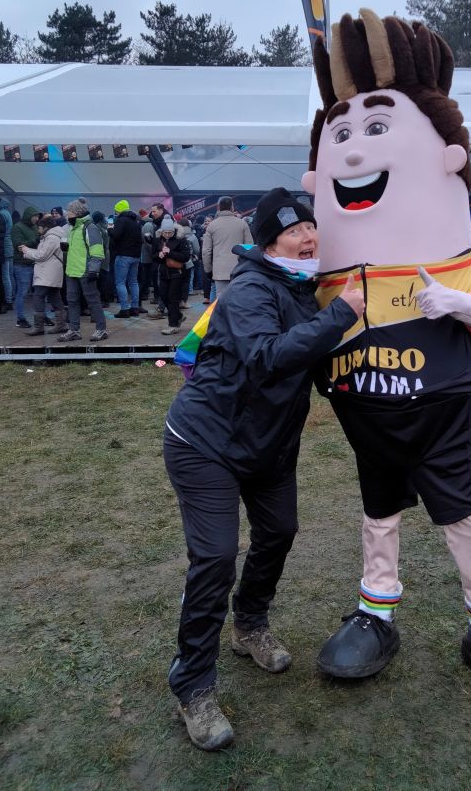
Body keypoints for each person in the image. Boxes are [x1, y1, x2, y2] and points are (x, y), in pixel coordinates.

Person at [303, 9, 471, 701]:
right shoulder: (322, 271)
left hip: (441, 410)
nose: (354, 151)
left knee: (466, 516)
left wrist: (455, 304)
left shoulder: (447, 261)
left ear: (451, 157)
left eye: (378, 128)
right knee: (377, 511)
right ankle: (376, 610)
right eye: (344, 134)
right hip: (367, 411)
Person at [163, 188, 363, 750]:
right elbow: (266, 356)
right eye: (295, 231)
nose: (308, 238)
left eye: (311, 229)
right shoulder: (252, 288)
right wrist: (344, 314)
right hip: (205, 443)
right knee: (215, 557)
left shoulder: (304, 288)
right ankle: (192, 686)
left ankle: (248, 625)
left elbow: (313, 360)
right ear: (268, 240)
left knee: (279, 530)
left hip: (266, 446)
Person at [57, 200, 108, 343]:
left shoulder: (89, 227)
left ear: (78, 213)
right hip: (72, 271)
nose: (68, 215)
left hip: (85, 271)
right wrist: (65, 248)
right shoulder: (73, 228)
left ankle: (101, 329)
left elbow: (97, 250)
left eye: (70, 212)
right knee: (72, 301)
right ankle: (74, 330)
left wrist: (93, 270)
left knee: (93, 301)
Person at [19, 215, 67, 336]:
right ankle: (61, 325)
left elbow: (41, 256)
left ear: (46, 227)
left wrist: (26, 250)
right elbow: (43, 254)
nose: (38, 230)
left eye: (39, 228)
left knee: (38, 297)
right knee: (55, 297)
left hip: (46, 274)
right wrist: (28, 251)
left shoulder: (51, 238)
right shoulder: (56, 236)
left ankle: (39, 327)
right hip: (52, 272)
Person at [201, 197, 252, 297]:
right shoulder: (242, 223)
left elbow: (206, 251)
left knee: (221, 301)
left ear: (218, 207)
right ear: (232, 207)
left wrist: (208, 270)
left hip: (220, 271)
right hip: (239, 270)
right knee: (239, 299)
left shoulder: (212, 225)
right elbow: (249, 248)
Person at [155, 218, 191, 335]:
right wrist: (158, 255)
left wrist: (170, 252)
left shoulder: (181, 239)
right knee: (164, 296)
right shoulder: (159, 239)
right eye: (165, 232)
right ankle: (178, 316)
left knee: (173, 299)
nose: (167, 235)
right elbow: (153, 255)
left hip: (177, 273)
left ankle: (173, 325)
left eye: (169, 232)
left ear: (173, 230)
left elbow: (185, 256)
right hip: (163, 272)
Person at [111, 199, 143, 318]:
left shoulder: (121, 220)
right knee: (133, 282)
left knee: (120, 283)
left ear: (119, 210)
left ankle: (124, 309)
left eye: (116, 211)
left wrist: (110, 230)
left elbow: (116, 236)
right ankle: (135, 308)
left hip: (123, 255)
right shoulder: (136, 222)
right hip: (135, 256)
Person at [11, 205, 41, 328]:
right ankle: (20, 319)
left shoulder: (34, 227)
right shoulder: (17, 227)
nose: (36, 219)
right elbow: (19, 245)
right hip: (22, 264)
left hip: (35, 263)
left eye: (37, 216)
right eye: (34, 216)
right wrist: (36, 240)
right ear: (29, 216)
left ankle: (41, 317)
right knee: (22, 293)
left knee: (40, 292)